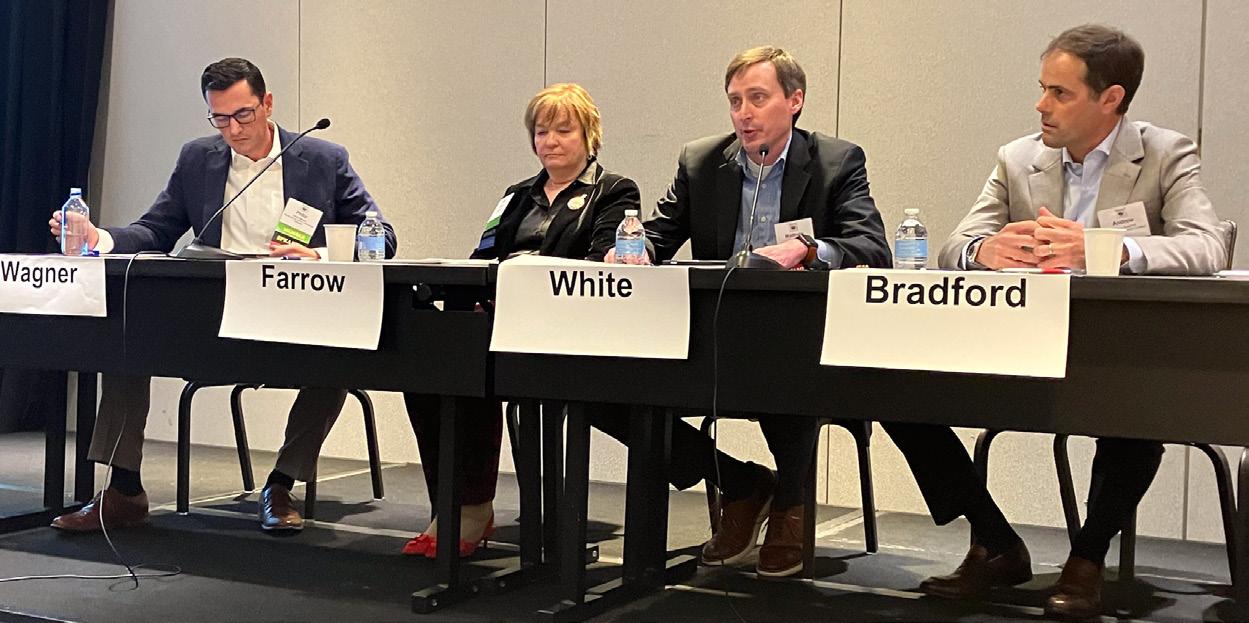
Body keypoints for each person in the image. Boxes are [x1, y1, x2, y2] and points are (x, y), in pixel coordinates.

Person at [933, 25, 1226, 619]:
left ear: (1110, 99)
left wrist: (1104, 249)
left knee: (1135, 412)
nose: (1041, 105)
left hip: (1116, 353)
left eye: (1059, 93)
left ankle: (1086, 559)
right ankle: (996, 540)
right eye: (1042, 88)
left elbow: (1207, 245)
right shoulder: (1017, 158)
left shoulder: (1165, 154)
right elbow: (953, 245)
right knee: (896, 390)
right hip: (1021, 345)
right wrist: (984, 250)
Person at [48, 57, 397, 534]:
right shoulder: (198, 158)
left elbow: (382, 236)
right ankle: (124, 489)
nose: (232, 129)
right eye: (219, 118)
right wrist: (98, 238)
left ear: (267, 103)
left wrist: (320, 253)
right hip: (214, 318)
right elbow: (156, 230)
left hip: (298, 313)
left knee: (340, 353)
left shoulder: (322, 159)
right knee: (127, 338)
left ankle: (281, 484)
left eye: (243, 115)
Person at [602, 45, 892, 578]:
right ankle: (742, 483)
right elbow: (659, 236)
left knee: (785, 362)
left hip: (799, 339)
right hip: (714, 332)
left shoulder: (836, 161)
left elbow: (873, 247)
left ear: (795, 101)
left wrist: (810, 249)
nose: (744, 113)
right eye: (735, 101)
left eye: (757, 98)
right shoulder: (701, 161)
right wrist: (636, 250)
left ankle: (790, 504)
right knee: (612, 388)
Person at [400, 83, 641, 558]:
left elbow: (599, 265)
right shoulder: (516, 195)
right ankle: (457, 504)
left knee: (473, 360)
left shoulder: (614, 190)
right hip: (501, 320)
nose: (550, 141)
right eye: (541, 131)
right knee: (430, 364)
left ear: (589, 134)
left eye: (563, 130)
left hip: (565, 330)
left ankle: (473, 510)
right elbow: (483, 256)